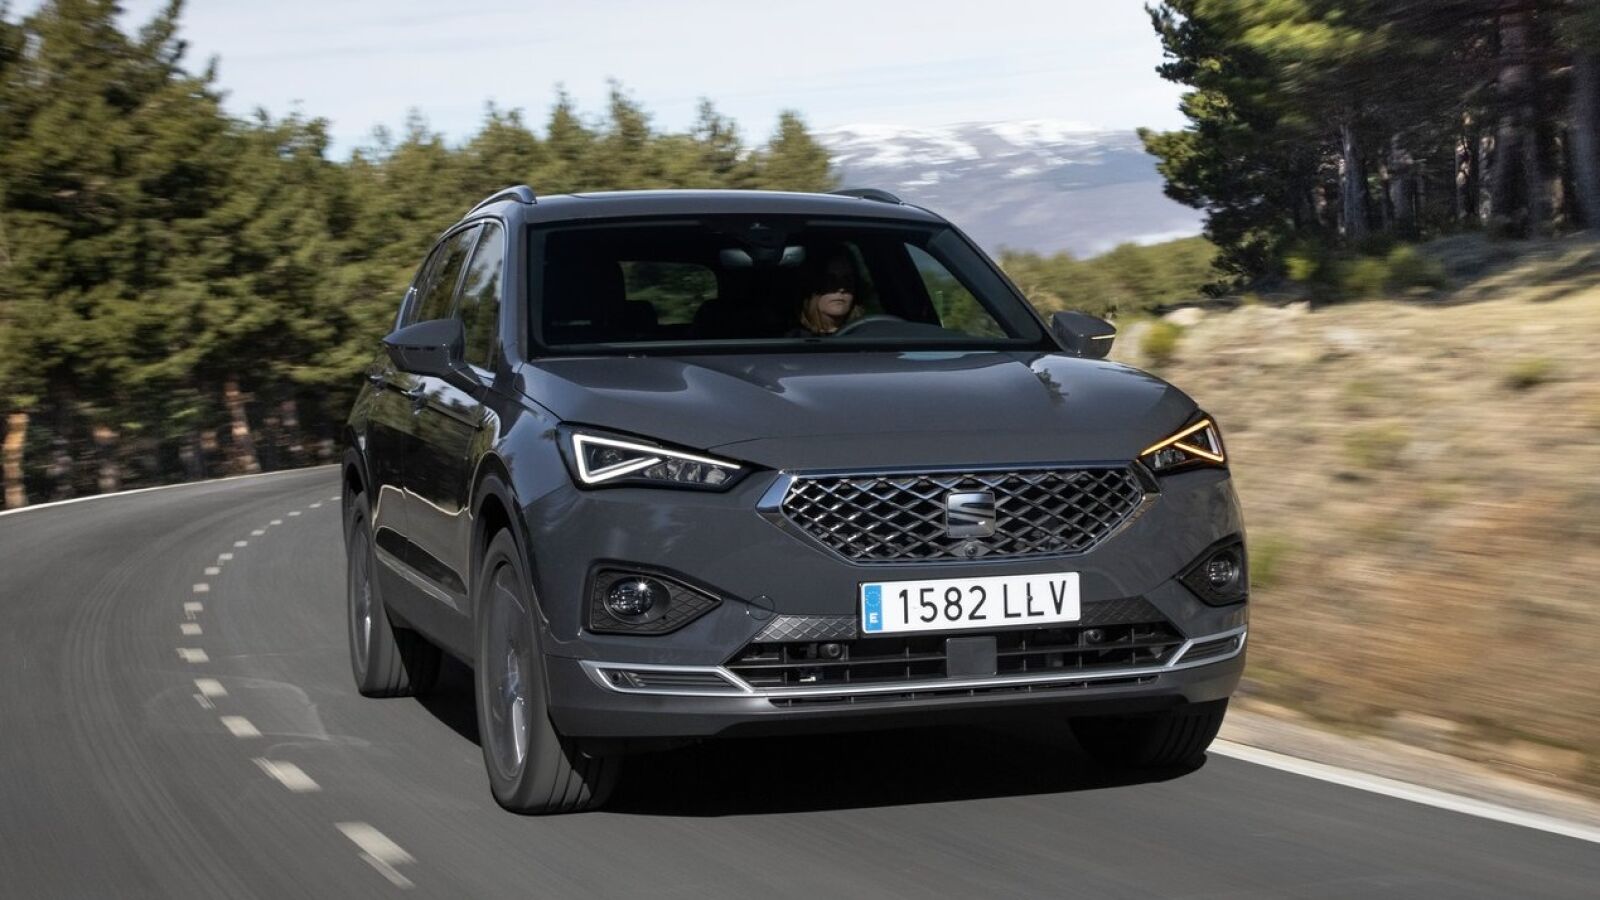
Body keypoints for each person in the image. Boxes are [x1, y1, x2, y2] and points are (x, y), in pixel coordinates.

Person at [790, 247, 864, 336]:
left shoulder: (867, 335)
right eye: (831, 280)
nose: (841, 288)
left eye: (847, 279)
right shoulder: (792, 339)